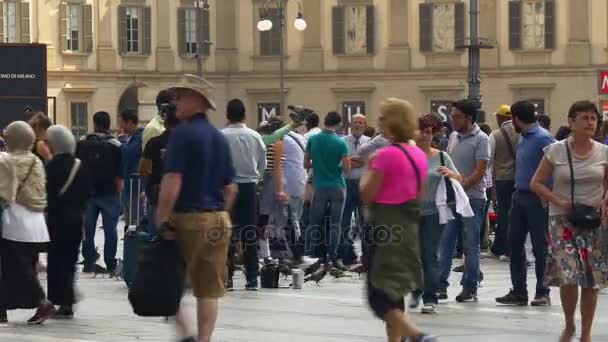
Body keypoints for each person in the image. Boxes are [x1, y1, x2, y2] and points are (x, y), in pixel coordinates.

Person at [156, 74, 237, 342]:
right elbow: (231, 188)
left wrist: (163, 216)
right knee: (208, 290)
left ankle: (186, 333)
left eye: (180, 96)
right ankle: (204, 339)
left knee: (166, 282)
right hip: (218, 218)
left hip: (188, 217)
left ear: (197, 100)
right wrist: (218, 213)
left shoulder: (183, 134)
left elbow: (173, 178)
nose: (175, 101)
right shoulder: (219, 137)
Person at [531, 101, 608, 342]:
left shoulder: (604, 152)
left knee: (590, 279)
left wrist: (606, 200)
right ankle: (568, 324)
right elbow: (536, 183)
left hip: (594, 221)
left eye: (593, 119)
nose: (590, 123)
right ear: (571, 122)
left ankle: (586, 334)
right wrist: (558, 200)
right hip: (562, 220)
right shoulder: (556, 151)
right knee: (568, 275)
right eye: (584, 118)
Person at [360, 98, 435, 342]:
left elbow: (367, 194)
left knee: (379, 297)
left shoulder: (385, 156)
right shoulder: (419, 155)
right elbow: (420, 193)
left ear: (390, 123)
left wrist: (369, 171)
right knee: (395, 295)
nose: (379, 123)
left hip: (384, 230)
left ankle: (418, 335)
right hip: (409, 230)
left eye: (382, 119)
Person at [495, 100, 555, 307]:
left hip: (536, 198)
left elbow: (555, 167)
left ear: (516, 118)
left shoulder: (544, 138)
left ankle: (542, 290)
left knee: (540, 246)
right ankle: (519, 290)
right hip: (519, 196)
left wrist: (546, 194)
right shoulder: (524, 138)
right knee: (514, 242)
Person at [0, 121, 54, 325]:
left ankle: (42, 302)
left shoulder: (8, 161)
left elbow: (5, 191)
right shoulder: (35, 160)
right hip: (37, 222)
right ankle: (3, 308)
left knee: (18, 268)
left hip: (15, 220)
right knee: (23, 266)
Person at [438, 99, 489, 302]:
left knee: (470, 245)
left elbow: (480, 170)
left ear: (468, 118)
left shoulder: (482, 139)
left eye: (457, 116)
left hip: (473, 199)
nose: (452, 119)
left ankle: (470, 286)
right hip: (452, 198)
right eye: (452, 115)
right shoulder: (453, 136)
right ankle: (440, 285)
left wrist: (461, 187)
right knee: (446, 242)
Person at [410, 114, 462, 315]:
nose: (425, 135)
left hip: (434, 212)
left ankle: (430, 297)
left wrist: (450, 174)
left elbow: (459, 178)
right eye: (421, 131)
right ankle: (416, 289)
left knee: (429, 254)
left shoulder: (441, 156)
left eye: (429, 132)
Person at [45, 125, 92, 319]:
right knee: (70, 260)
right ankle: (67, 302)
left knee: (56, 260)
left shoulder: (52, 165)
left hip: (56, 219)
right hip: (75, 218)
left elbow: (48, 194)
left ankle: (59, 300)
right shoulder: (79, 165)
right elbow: (87, 193)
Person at [222, 99, 267, 291]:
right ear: (244, 115)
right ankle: (251, 279)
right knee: (250, 234)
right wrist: (257, 178)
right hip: (249, 187)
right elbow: (262, 163)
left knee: (226, 233)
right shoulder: (254, 136)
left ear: (227, 116)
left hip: (227, 187)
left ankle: (228, 277)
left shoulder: (220, 136)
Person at [76, 111, 123, 274]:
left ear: (94, 123)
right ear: (108, 124)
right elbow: (120, 171)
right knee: (111, 230)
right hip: (109, 192)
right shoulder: (116, 144)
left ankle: (89, 261)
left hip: (87, 193)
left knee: (88, 229)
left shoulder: (82, 142)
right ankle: (110, 263)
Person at [305, 111, 351, 267]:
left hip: (319, 186)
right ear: (338, 124)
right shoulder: (340, 143)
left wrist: (318, 164)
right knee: (335, 224)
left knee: (313, 222)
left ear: (324, 121)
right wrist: (336, 165)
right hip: (338, 186)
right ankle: (333, 255)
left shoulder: (312, 139)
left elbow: (306, 164)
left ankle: (309, 253)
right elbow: (346, 167)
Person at [139, 92, 180, 239]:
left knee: (157, 241)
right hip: (182, 201)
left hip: (158, 197)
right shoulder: (189, 143)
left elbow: (143, 170)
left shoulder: (154, 143)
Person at [488, 105, 519, 260]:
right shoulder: (522, 133)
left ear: (501, 118)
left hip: (503, 179)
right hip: (519, 179)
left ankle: (505, 248)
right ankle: (503, 247)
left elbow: (488, 159)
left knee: (504, 214)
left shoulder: (495, 135)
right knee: (516, 215)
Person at [339, 114, 371, 267]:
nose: (358, 125)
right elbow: (340, 162)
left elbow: (368, 161)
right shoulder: (343, 141)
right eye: (355, 122)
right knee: (344, 221)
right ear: (350, 125)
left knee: (365, 222)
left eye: (361, 122)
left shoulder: (369, 142)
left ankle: (366, 257)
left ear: (364, 125)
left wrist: (350, 161)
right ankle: (347, 255)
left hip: (363, 184)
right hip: (346, 183)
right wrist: (357, 161)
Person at [118, 108, 144, 230]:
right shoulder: (131, 137)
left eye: (122, 123)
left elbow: (128, 153)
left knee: (135, 216)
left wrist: (122, 140)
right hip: (127, 183)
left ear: (130, 122)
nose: (121, 126)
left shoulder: (140, 137)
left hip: (135, 184)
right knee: (128, 215)